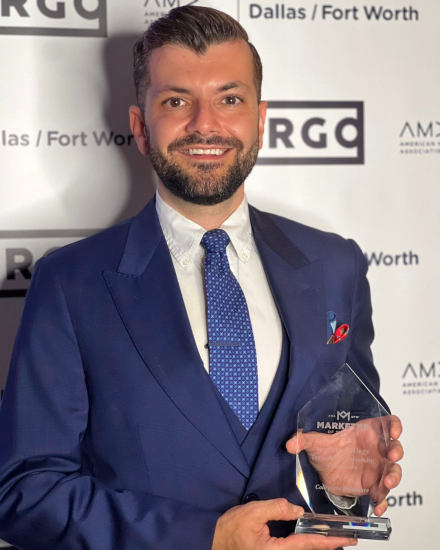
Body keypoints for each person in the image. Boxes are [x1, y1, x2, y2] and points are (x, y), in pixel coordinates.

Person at [0, 6, 403, 550]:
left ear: (260, 121)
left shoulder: (337, 264)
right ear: (141, 127)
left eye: (229, 99)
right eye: (176, 101)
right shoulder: (70, 285)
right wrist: (203, 537)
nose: (205, 124)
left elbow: (348, 450)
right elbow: (25, 492)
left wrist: (346, 489)